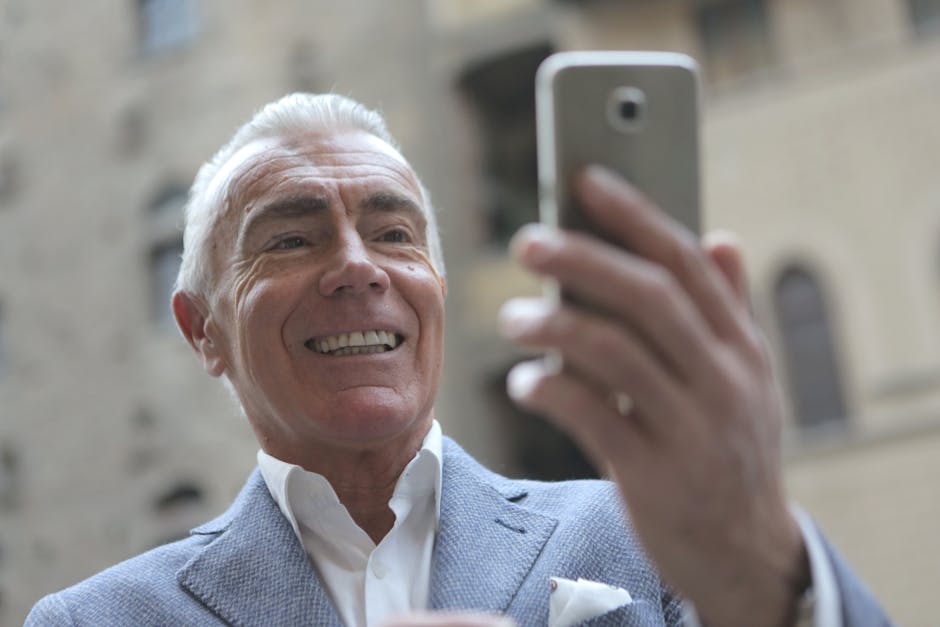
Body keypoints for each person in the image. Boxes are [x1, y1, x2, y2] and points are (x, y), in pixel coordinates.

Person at [25, 93, 890, 626]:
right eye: (290, 239)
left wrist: (761, 560)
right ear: (202, 330)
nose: (359, 266)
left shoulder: (649, 535)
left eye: (395, 234)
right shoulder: (94, 620)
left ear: (436, 287)